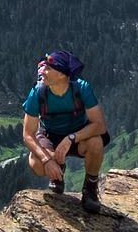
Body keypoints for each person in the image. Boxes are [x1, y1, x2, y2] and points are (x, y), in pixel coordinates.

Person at [22, 50, 108, 213]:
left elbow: (99, 126)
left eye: (48, 69)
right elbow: (28, 134)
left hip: (77, 135)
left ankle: (90, 188)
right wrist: (47, 160)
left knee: (96, 142)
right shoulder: (38, 92)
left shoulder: (81, 88)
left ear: (62, 75)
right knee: (37, 164)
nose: (42, 72)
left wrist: (71, 138)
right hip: (49, 134)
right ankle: (58, 172)